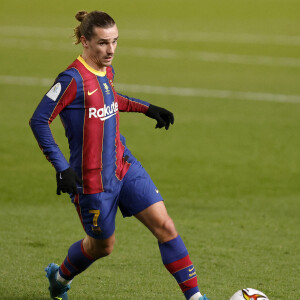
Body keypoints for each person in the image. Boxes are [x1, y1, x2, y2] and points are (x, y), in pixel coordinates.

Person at [29, 10, 210, 300]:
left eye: (114, 41)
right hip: (93, 183)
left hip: (123, 165)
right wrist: (61, 167)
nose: (110, 50)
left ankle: (196, 297)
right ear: (85, 42)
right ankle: (60, 277)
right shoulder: (70, 80)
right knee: (102, 247)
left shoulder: (105, 68)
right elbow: (39, 120)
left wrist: (146, 108)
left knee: (165, 226)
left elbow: (111, 98)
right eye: (103, 43)